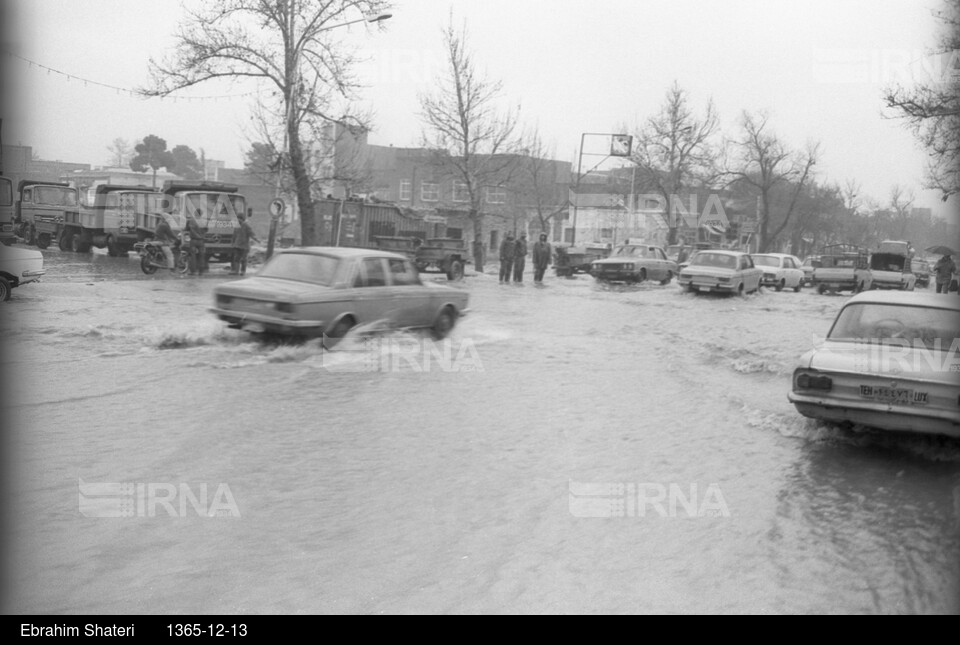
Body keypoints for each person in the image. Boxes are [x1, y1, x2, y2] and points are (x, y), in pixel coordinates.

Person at [230, 211, 261, 275]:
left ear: (242, 219)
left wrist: (257, 239)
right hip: (237, 245)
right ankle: (236, 271)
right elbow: (234, 236)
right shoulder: (236, 226)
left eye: (239, 218)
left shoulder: (246, 226)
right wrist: (232, 243)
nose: (238, 220)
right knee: (236, 259)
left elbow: (251, 233)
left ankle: (242, 271)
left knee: (243, 259)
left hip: (244, 246)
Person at [184, 211, 206, 276]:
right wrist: (201, 234)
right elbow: (206, 229)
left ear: (195, 214)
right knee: (202, 256)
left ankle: (193, 271)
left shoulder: (191, 220)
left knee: (193, 256)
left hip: (193, 241)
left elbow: (186, 229)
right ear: (201, 214)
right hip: (201, 241)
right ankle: (201, 272)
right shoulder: (204, 221)